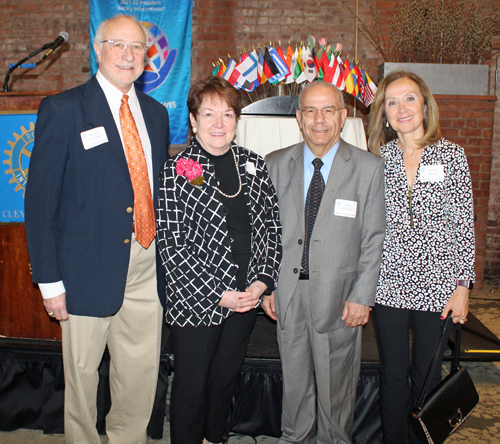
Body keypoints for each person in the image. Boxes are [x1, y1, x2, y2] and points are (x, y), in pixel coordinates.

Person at [24, 15, 169, 444]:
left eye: (137, 48)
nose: (128, 55)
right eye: (117, 45)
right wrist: (49, 281)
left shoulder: (157, 115)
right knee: (84, 379)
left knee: (140, 374)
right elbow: (41, 201)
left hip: (147, 263)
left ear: (147, 56)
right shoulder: (63, 109)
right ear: (97, 48)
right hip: (84, 269)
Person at [156, 75, 282, 444]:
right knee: (192, 385)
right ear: (193, 120)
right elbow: (173, 247)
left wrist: (262, 282)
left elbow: (272, 228)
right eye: (208, 114)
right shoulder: (178, 170)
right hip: (197, 298)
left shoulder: (253, 165)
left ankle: (215, 438)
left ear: (237, 121)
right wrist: (219, 292)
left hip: (246, 297)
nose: (218, 124)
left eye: (227, 115)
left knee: (225, 378)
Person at [263, 81, 385, 444]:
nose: (319, 119)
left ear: (344, 116)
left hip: (340, 298)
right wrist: (267, 285)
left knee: (337, 395)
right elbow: (266, 234)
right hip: (287, 297)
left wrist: (363, 295)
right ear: (299, 117)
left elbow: (375, 237)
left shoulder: (367, 168)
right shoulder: (275, 163)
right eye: (310, 111)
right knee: (295, 391)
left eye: (328, 110)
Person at [367, 70, 475, 444]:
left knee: (427, 375)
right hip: (389, 284)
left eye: (409, 98)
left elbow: (464, 226)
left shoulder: (451, 156)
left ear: (425, 105)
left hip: (439, 286)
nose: (401, 108)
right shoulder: (378, 160)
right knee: (393, 372)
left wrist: (463, 287)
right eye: (392, 102)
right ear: (383, 113)